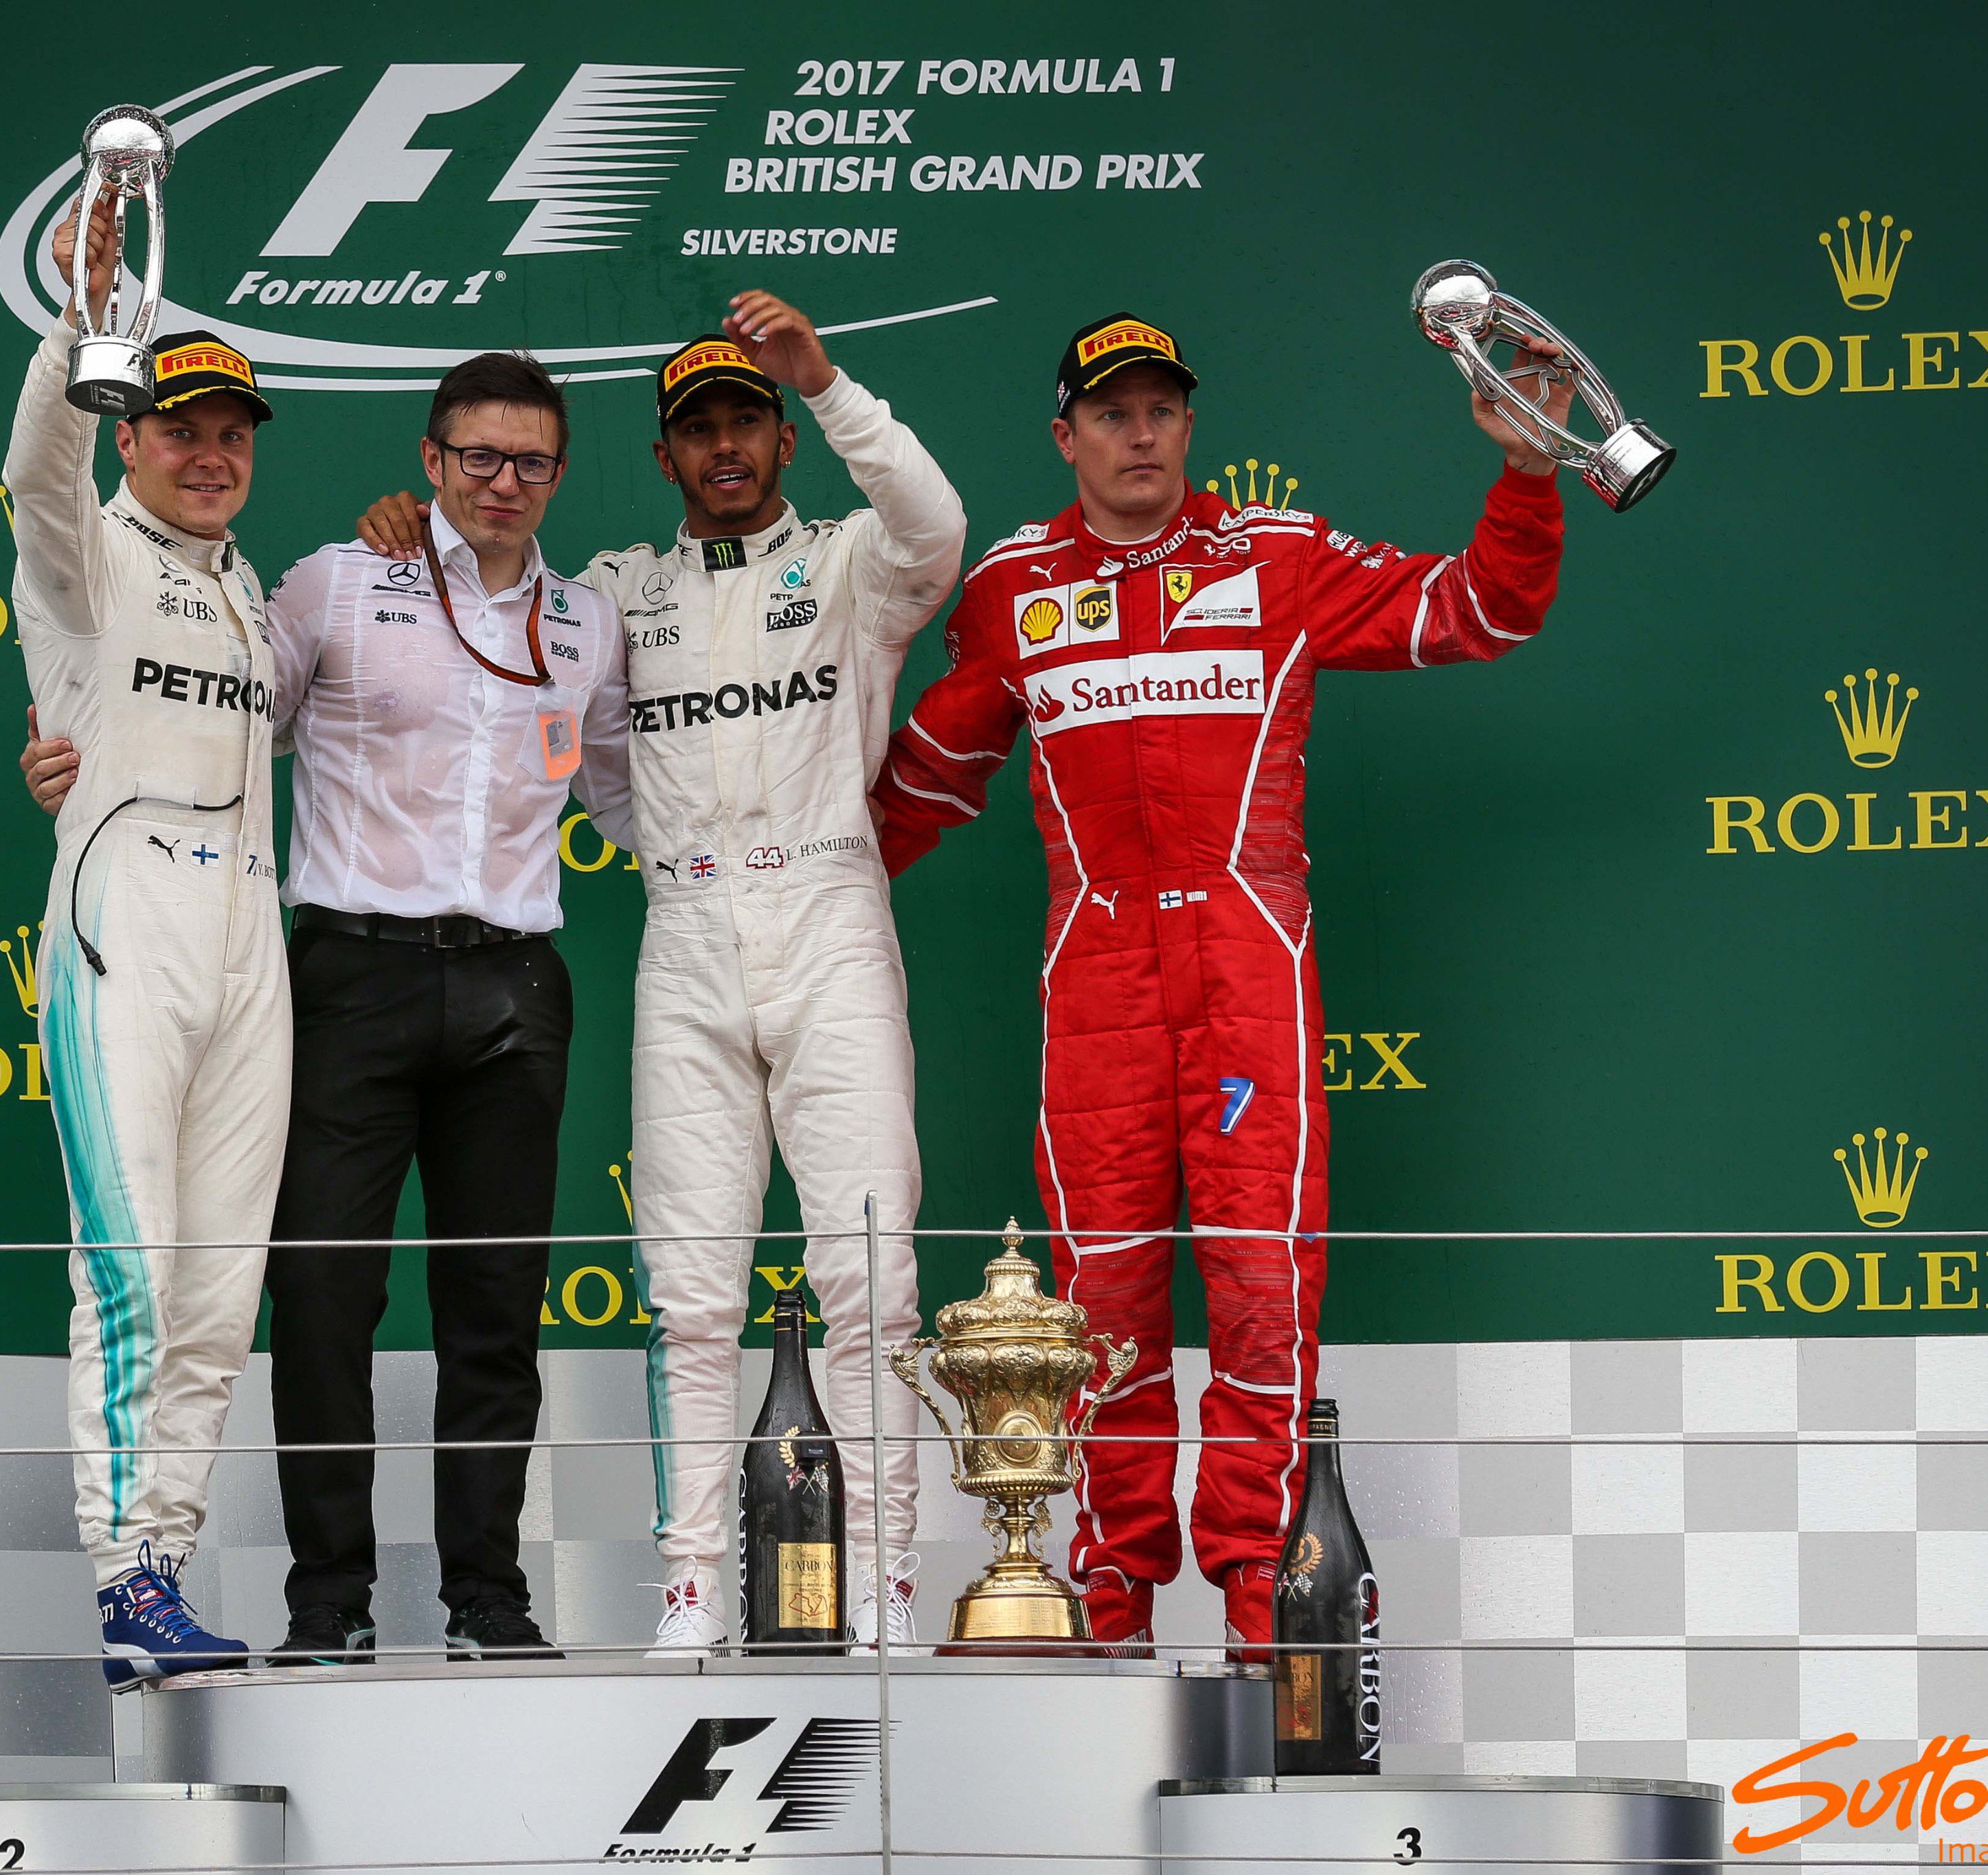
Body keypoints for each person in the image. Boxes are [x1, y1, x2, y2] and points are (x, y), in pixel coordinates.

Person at [866, 313, 1572, 1655]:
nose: (1139, 434)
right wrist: (791, 878)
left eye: (1161, 410)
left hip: (1246, 965)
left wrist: (1525, 475)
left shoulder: (1277, 557)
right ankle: (1102, 1599)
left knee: (1262, 1288)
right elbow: (925, 778)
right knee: (1097, 1304)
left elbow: (1481, 610)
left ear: (1187, 426)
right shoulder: (1013, 585)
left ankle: (1269, 1607)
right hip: (1094, 986)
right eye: (1111, 411)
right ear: (1063, 433)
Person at [351, 295, 964, 1654]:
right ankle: (692, 1589)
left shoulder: (855, 562)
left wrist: (824, 378)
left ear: (781, 439)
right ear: (666, 452)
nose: (727, 444)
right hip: (686, 931)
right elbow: (558, 704)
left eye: (747, 418)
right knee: (688, 1294)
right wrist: (414, 532)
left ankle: (881, 1591)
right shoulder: (622, 592)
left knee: (868, 1280)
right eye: (700, 427)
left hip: (828, 916)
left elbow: (938, 528)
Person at [23, 352, 635, 1666]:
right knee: (290, 1306)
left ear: (562, 473)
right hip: (328, 966)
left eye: (531, 459)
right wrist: (65, 740)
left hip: (499, 980)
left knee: (465, 1310)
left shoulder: (579, 620)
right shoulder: (323, 581)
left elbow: (637, 787)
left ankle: (481, 1597)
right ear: (430, 459)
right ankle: (310, 1602)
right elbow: (79, 558)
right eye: (478, 455)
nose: (504, 480)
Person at [8, 194, 285, 1683]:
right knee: (130, 1270)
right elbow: (28, 473)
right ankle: (122, 1576)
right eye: (180, 426)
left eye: (233, 430)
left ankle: (164, 1568)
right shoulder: (86, 558)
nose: (209, 451)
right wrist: (84, 327)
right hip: (129, 923)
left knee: (217, 1287)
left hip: (252, 931)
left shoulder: (248, 589)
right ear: (132, 435)